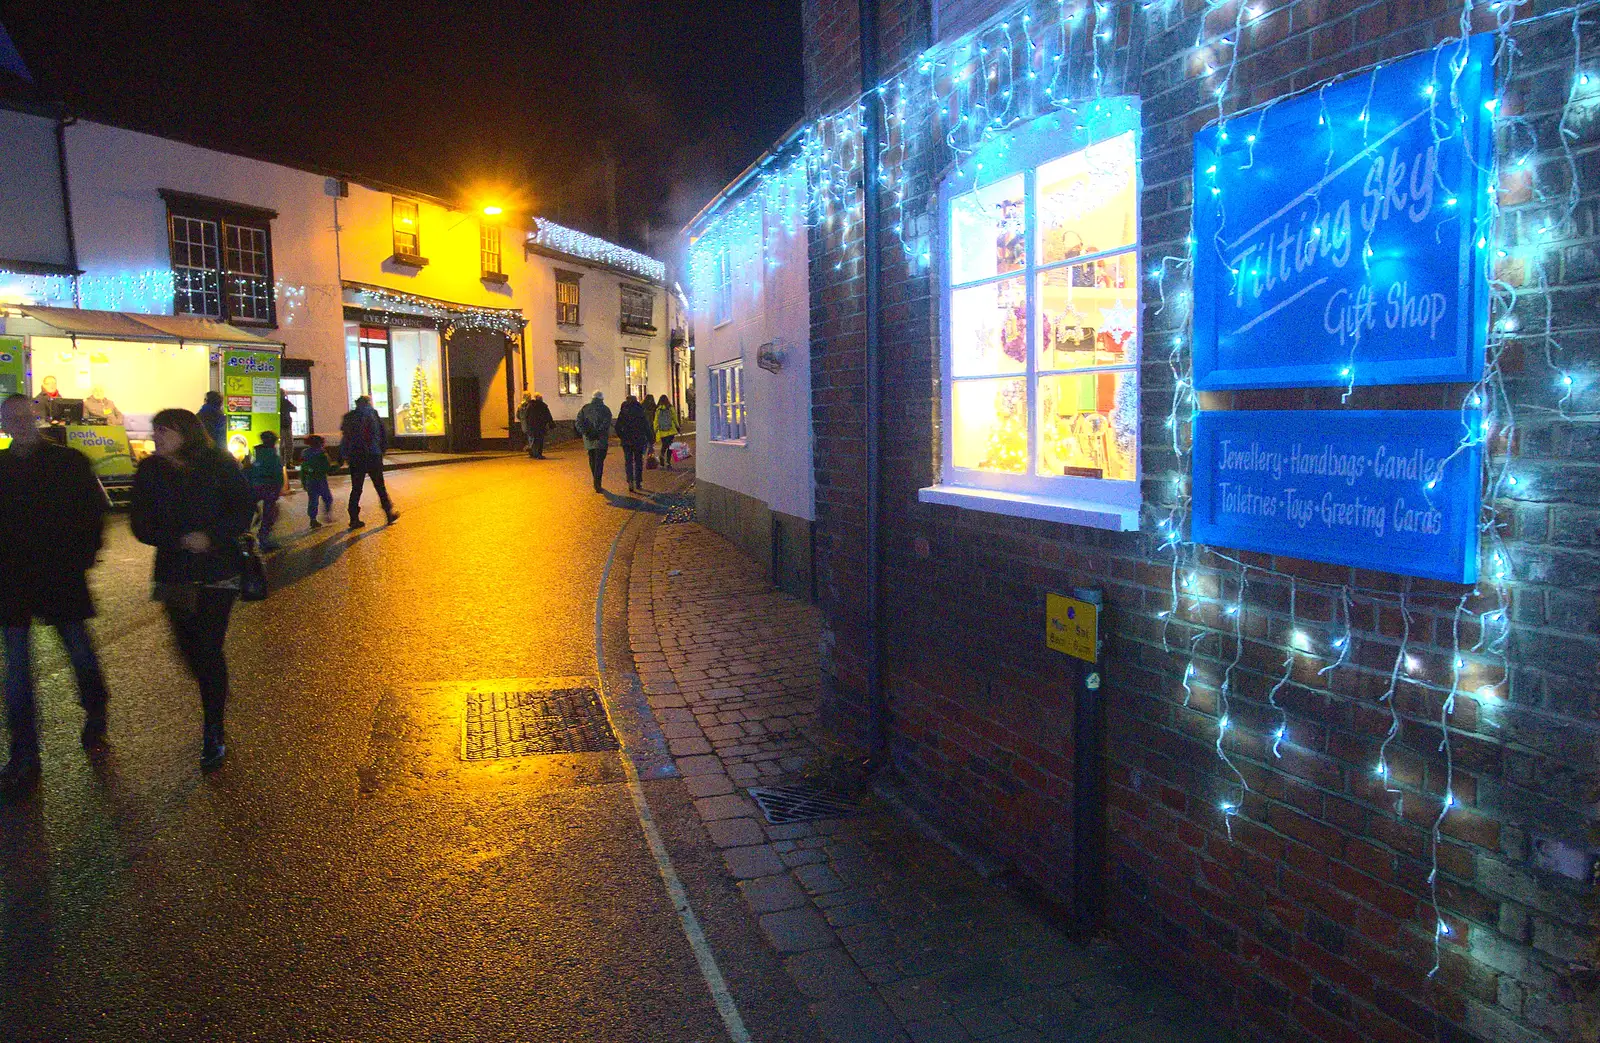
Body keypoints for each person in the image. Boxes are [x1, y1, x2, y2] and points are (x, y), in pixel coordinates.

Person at [130, 407, 253, 772]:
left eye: (164, 431)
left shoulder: (218, 463)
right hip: (175, 573)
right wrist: (180, 539)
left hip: (219, 569)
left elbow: (243, 508)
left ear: (186, 432)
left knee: (208, 646)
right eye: (155, 432)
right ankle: (215, 687)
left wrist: (212, 537)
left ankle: (213, 728)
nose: (157, 438)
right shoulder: (150, 471)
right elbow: (140, 524)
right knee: (189, 648)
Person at [0, 394, 110, 792]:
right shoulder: (15, 466)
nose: (19, 424)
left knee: (75, 648)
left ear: (40, 418)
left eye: (24, 416)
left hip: (57, 574)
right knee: (17, 669)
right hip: (13, 579)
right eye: (12, 418)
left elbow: (93, 512)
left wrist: (81, 557)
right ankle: (24, 753)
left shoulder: (69, 463)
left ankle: (95, 705)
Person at [340, 394, 398, 529]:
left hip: (356, 457)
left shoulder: (349, 417)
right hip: (373, 455)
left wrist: (343, 456)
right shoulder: (374, 415)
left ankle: (354, 518)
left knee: (356, 488)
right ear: (368, 402)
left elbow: (345, 438)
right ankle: (388, 513)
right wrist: (382, 451)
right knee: (380, 486)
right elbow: (383, 434)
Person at [246, 429, 285, 551]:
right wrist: (278, 489)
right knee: (269, 513)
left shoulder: (255, 454)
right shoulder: (274, 457)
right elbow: (278, 475)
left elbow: (248, 470)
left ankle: (245, 536)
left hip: (255, 486)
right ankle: (264, 538)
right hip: (269, 487)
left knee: (249, 512)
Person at [574, 391, 612, 493]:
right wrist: (598, 432)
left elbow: (578, 422)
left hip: (589, 440)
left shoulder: (585, 408)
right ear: (602, 399)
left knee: (592, 460)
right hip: (601, 440)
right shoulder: (606, 410)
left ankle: (596, 481)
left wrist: (586, 432)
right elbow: (606, 424)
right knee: (599, 462)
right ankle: (597, 483)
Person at [614, 393, 653, 494]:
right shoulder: (640, 410)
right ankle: (638, 482)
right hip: (639, 440)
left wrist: (621, 436)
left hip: (626, 441)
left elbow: (617, 426)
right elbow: (646, 426)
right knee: (638, 461)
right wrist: (650, 439)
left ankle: (630, 481)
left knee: (628, 462)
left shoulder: (623, 410)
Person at [299, 434, 336, 528]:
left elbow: (303, 469)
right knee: (327, 498)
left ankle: (313, 519)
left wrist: (303, 481)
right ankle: (327, 515)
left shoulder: (305, 453)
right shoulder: (322, 454)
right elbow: (327, 468)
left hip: (310, 480)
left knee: (313, 500)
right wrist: (336, 467)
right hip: (321, 480)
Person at [522, 391, 553, 459]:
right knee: (539, 441)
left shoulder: (530, 405)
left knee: (534, 440)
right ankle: (538, 454)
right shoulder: (543, 406)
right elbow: (548, 416)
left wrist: (527, 424)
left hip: (532, 427)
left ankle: (534, 453)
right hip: (540, 427)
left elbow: (526, 416)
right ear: (540, 398)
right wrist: (551, 424)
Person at [655, 398, 680, 470]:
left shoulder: (658, 409)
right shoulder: (671, 408)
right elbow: (675, 418)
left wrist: (655, 429)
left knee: (664, 445)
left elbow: (656, 420)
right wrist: (677, 426)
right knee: (670, 446)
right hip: (671, 430)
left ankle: (662, 455)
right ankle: (668, 462)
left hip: (662, 431)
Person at [278, 392, 298, 457]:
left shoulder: (276, 401)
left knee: (279, 445)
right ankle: (288, 461)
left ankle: (280, 461)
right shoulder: (285, 401)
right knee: (289, 445)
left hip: (279, 425)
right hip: (286, 425)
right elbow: (294, 409)